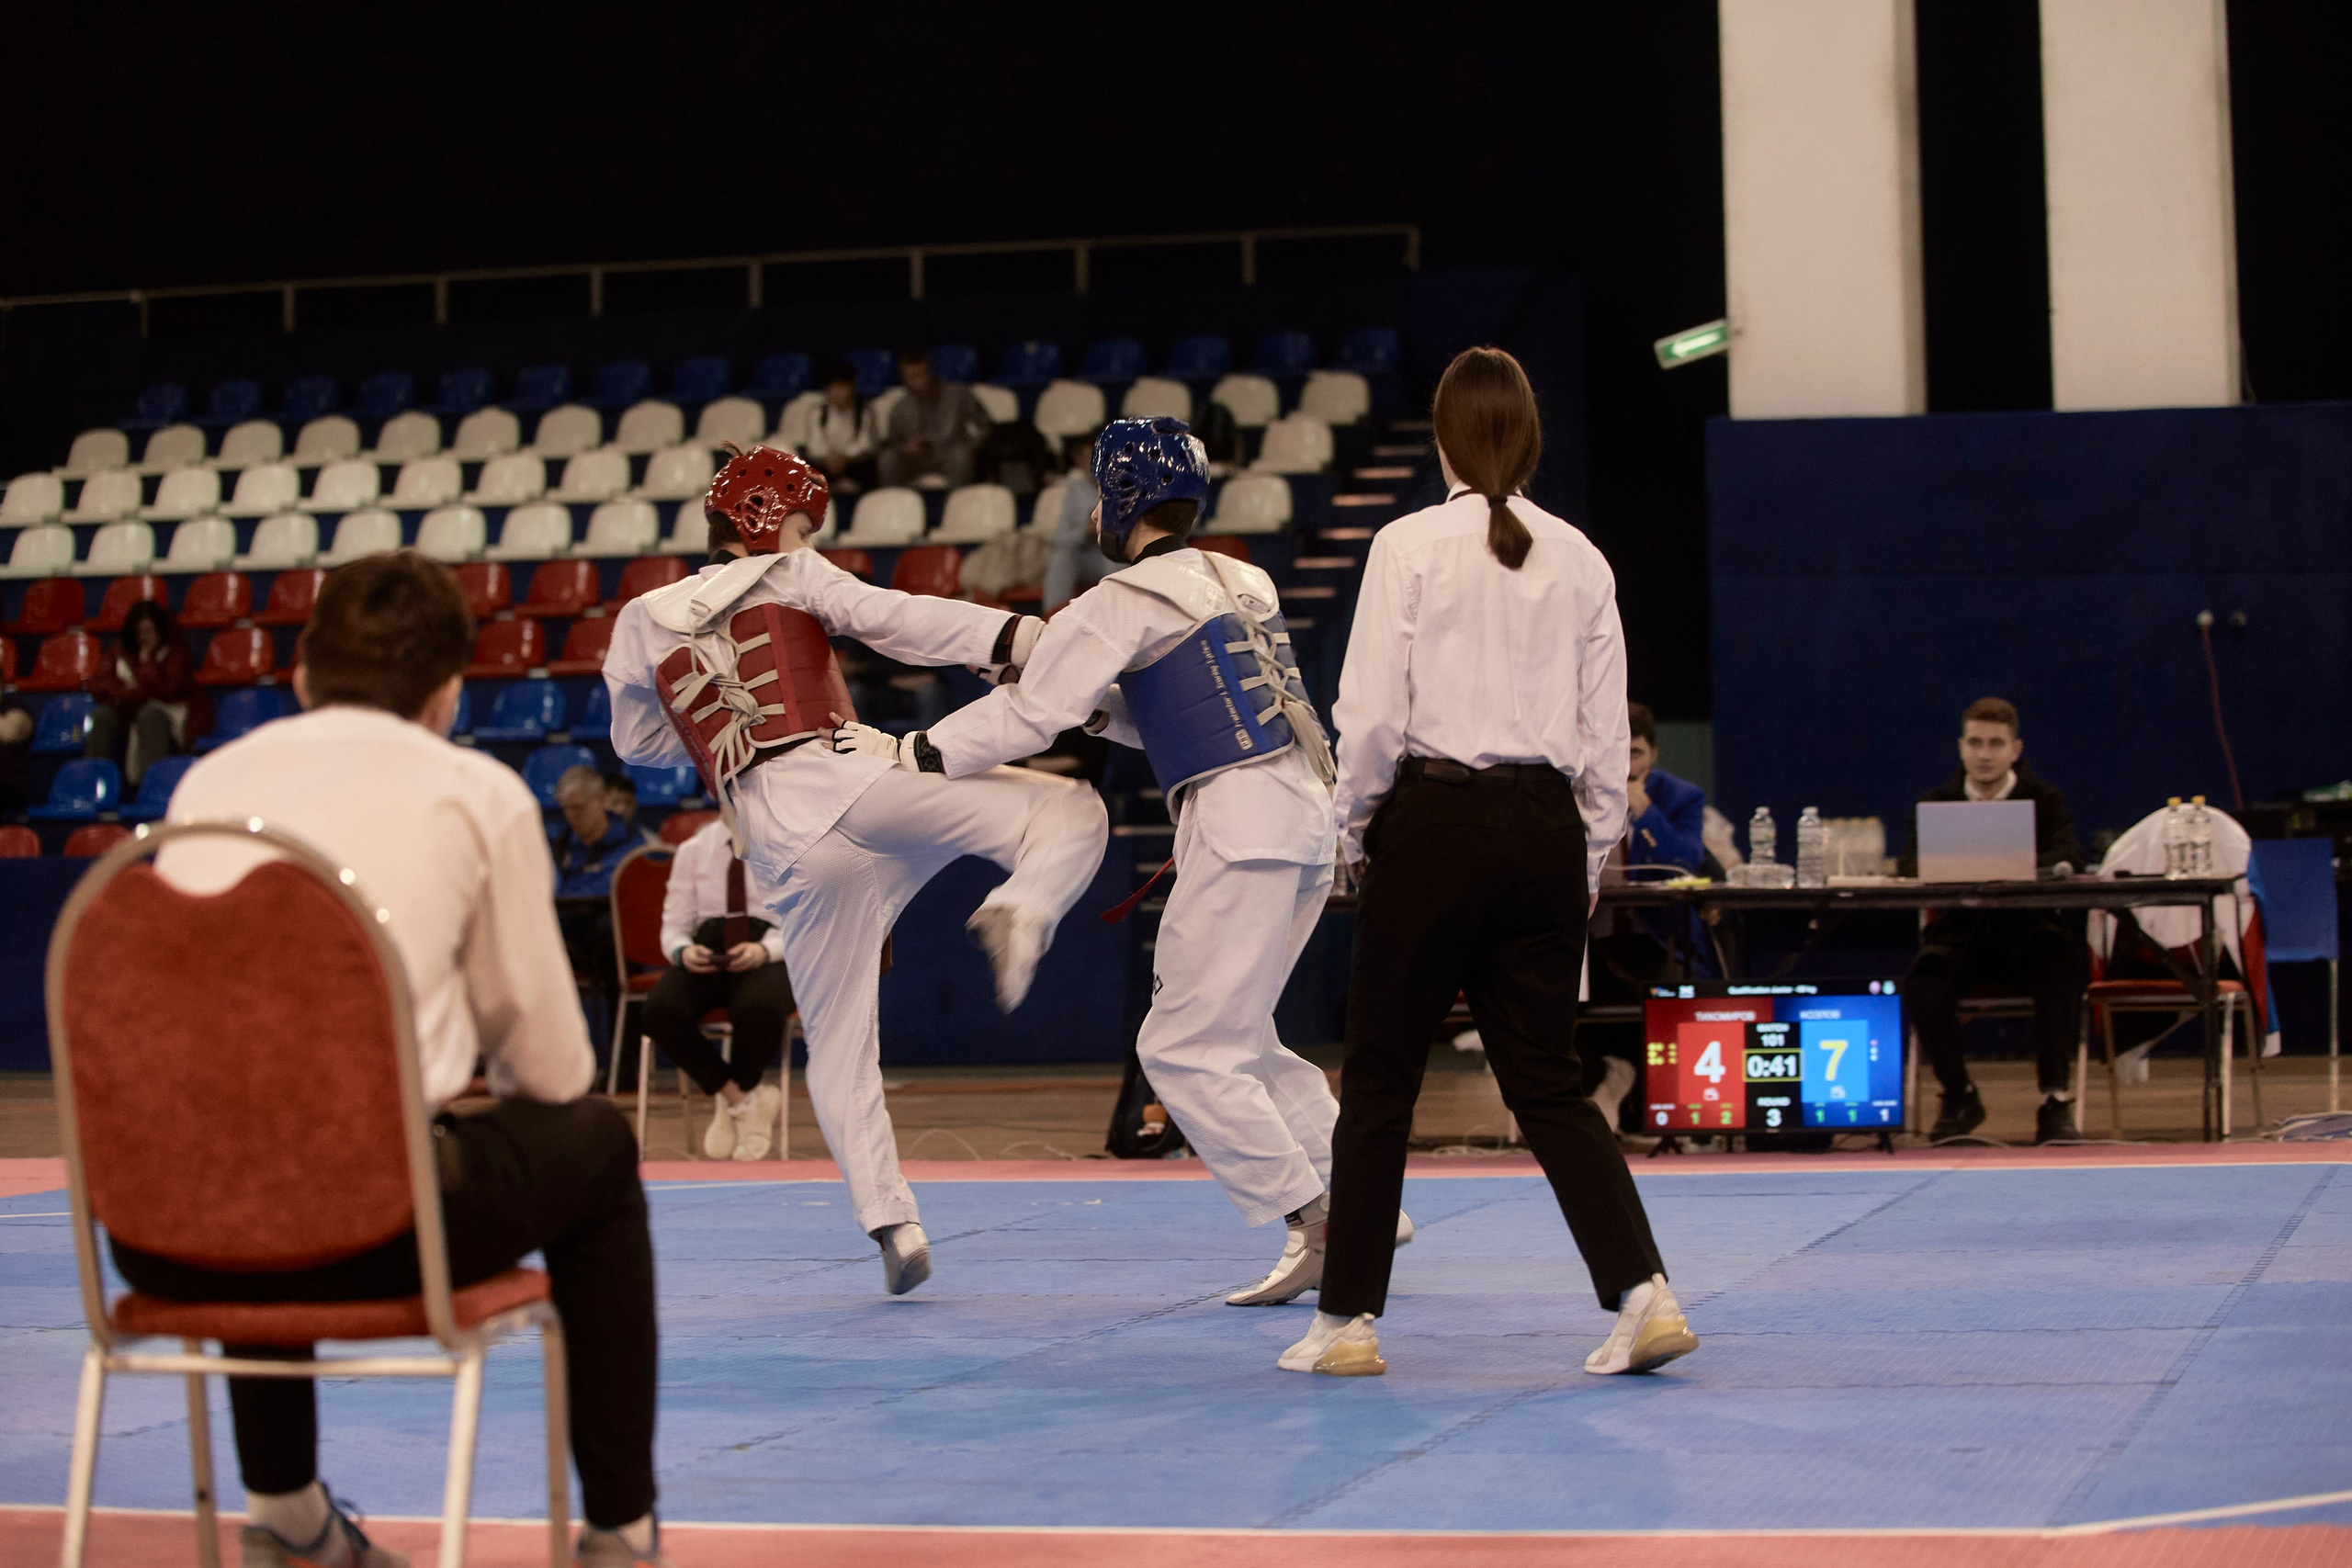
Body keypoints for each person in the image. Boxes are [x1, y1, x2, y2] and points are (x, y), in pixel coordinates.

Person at [134, 551, 673, 1567]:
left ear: (300, 673)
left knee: (257, 1130)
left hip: (163, 1228)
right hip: (379, 1227)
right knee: (595, 1142)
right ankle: (621, 1529)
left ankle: (288, 1518)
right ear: (446, 697)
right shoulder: (474, 792)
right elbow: (553, 1076)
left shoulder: (206, 783)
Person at [827, 417, 1394, 1309]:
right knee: (1238, 1035)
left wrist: (921, 753)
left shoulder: (1118, 602)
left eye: (1099, 492)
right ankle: (1362, 1203)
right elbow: (1173, 705)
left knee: (1181, 1050)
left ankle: (1316, 1220)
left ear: (1120, 499)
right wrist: (1086, 710)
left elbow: (1029, 716)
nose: (1093, 510)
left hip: (1241, 823)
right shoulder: (1243, 578)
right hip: (1301, 820)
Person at [604, 445, 1106, 1293]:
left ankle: (892, 1222)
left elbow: (639, 743)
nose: (806, 536)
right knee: (1066, 810)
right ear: (769, 521)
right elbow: (899, 618)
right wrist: (1021, 636)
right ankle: (1021, 901)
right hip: (856, 778)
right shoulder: (792, 572)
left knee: (839, 1045)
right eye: (801, 521)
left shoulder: (644, 616)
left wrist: (717, 722)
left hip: (783, 845)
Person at [1296, 347, 1694, 1380]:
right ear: (1527, 438)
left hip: (1433, 820)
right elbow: (1606, 738)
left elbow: (1373, 715)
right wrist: (1588, 847)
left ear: (1441, 439)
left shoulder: (1408, 544)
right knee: (1549, 1084)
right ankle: (1644, 1294)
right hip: (1544, 832)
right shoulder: (1582, 557)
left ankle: (1346, 1323)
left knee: (1382, 1079)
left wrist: (1351, 829)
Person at [1900, 696, 2086, 1145]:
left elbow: (2070, 856)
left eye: (1996, 744)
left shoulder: (2045, 800)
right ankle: (1959, 1095)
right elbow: (1909, 865)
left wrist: (2012, 865)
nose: (1985, 754)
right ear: (1961, 747)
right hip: (1960, 938)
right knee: (1922, 982)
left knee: (2061, 963)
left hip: (2028, 935)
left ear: (2015, 749)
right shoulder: (1935, 803)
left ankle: (2056, 1101)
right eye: (1976, 743)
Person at [1581, 703, 1713, 1129]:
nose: (1626, 764)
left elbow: (1687, 862)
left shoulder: (1680, 797)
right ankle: (1595, 1093)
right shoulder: (1579, 794)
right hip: (1591, 941)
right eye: (1618, 752)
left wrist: (1646, 812)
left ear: (1653, 754)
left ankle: (1672, 1115)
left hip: (1656, 938)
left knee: (1669, 987)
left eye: (1635, 752)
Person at [648, 816, 797, 1159]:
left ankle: (731, 1102)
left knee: (757, 1006)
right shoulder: (693, 850)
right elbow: (673, 928)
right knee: (659, 1009)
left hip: (768, 945)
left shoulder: (787, 842)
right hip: (709, 945)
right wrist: (683, 951)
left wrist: (764, 951)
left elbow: (802, 918)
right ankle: (742, 1100)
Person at [86, 599, 210, 787]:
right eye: (140, 632)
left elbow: (167, 690)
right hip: (129, 708)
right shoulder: (121, 649)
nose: (145, 637)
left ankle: (152, 788)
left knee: (149, 716)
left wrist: (146, 665)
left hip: (170, 712)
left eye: (149, 631)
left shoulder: (176, 650)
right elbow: (99, 684)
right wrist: (126, 693)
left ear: (160, 630)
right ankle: (94, 784)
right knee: (102, 716)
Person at [877, 347, 989, 490]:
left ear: (931, 372)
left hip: (950, 454)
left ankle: (957, 506)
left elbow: (986, 425)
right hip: (916, 460)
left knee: (961, 457)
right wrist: (905, 447)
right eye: (911, 378)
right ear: (904, 379)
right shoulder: (900, 408)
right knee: (888, 459)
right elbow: (893, 442)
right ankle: (895, 506)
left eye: (921, 375)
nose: (918, 382)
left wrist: (971, 446)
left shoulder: (958, 394)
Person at [553, 764, 639, 898]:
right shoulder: (559, 847)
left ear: (601, 799)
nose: (571, 816)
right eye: (566, 809)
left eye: (578, 807)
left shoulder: (633, 846)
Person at [804, 362, 879, 493]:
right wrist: (828, 459)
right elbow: (815, 446)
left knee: (869, 465)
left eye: (843, 387)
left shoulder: (864, 412)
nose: (839, 393)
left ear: (852, 387)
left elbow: (865, 443)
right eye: (835, 388)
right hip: (826, 464)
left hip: (853, 464)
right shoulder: (818, 413)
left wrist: (845, 459)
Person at [1041, 468, 1109, 614]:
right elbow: (1061, 538)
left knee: (1113, 558)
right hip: (1086, 557)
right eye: (1083, 457)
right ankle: (1054, 617)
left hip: (1115, 556)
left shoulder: (1122, 483)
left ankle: (1115, 615)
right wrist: (1085, 531)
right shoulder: (1075, 489)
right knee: (1061, 556)